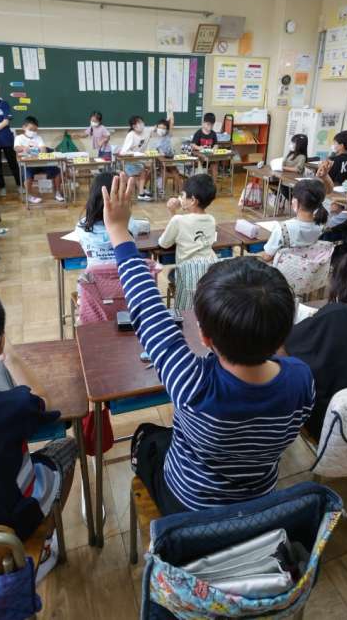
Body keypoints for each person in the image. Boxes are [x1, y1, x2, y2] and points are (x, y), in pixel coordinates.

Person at [100, 173, 315, 514]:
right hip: (260, 499)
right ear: (284, 330)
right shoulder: (302, 378)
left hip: (190, 504)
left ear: (204, 336)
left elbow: (146, 307)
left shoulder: (191, 381)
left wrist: (117, 231)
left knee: (148, 437)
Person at [0, 286, 77, 542]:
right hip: (11, 529)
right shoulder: (14, 407)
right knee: (67, 446)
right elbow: (43, 400)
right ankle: (44, 536)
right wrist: (11, 357)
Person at [285, 252, 347, 442]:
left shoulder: (336, 315)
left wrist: (314, 322)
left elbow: (288, 343)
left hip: (329, 421)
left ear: (337, 282)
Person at [75, 171, 139, 267]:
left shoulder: (81, 227)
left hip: (95, 275)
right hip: (125, 274)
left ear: (92, 197)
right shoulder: (131, 224)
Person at [262, 179, 328, 262]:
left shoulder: (282, 228)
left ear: (295, 202)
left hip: (283, 269)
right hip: (309, 268)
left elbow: (267, 257)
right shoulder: (321, 226)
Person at [158, 174, 217, 266]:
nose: (181, 198)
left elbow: (164, 243)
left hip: (187, 271)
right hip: (210, 269)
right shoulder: (211, 220)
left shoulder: (178, 220)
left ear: (193, 200)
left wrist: (172, 211)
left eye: (183, 195)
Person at [14, 116, 64, 204]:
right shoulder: (19, 138)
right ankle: (29, 196)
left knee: (57, 171)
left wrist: (40, 150)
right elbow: (16, 148)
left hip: (41, 163)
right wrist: (24, 148)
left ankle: (58, 193)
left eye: (35, 130)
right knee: (27, 176)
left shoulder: (38, 137)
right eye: (31, 129)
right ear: (24, 127)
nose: (33, 132)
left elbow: (43, 150)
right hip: (28, 165)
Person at [120, 115, 153, 201]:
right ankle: (141, 192)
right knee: (141, 172)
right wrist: (136, 153)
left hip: (138, 161)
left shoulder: (146, 131)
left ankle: (142, 191)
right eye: (139, 123)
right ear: (134, 126)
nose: (142, 124)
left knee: (147, 170)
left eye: (142, 122)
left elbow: (155, 128)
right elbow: (123, 152)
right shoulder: (131, 135)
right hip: (129, 162)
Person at [151, 119, 182, 195]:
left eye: (164, 128)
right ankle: (162, 190)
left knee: (175, 172)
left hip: (169, 158)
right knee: (163, 171)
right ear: (156, 127)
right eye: (160, 127)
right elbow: (156, 151)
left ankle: (180, 190)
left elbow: (172, 122)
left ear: (167, 129)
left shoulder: (168, 135)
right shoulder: (154, 135)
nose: (161, 130)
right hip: (159, 160)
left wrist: (168, 120)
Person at [191, 112, 219, 179]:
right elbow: (192, 144)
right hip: (199, 157)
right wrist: (199, 147)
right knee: (200, 160)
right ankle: (200, 180)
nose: (210, 126)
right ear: (203, 123)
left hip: (209, 156)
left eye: (212, 125)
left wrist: (215, 148)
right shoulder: (199, 133)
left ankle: (213, 184)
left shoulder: (213, 134)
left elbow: (216, 144)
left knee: (215, 166)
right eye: (208, 124)